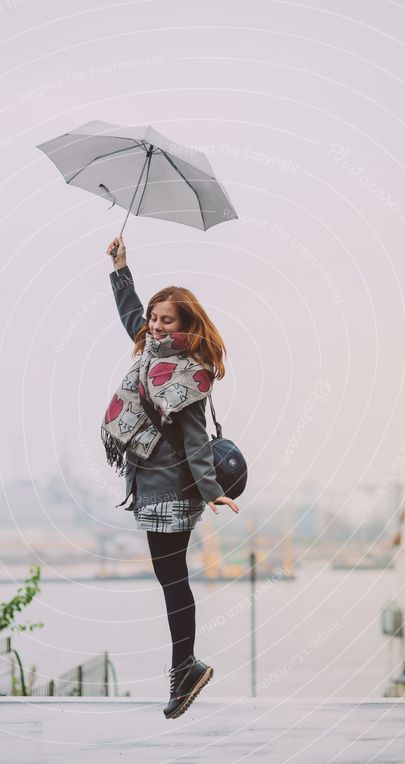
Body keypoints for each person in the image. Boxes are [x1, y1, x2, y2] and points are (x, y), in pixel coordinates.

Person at [102, 235, 240, 719]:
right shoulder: (149, 353)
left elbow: (196, 441)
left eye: (167, 319)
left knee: (172, 577)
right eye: (155, 318)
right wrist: (120, 266)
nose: (156, 324)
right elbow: (129, 313)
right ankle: (184, 666)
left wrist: (213, 492)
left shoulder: (187, 372)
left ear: (186, 325)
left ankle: (185, 666)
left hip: (172, 489)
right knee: (170, 577)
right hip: (150, 486)